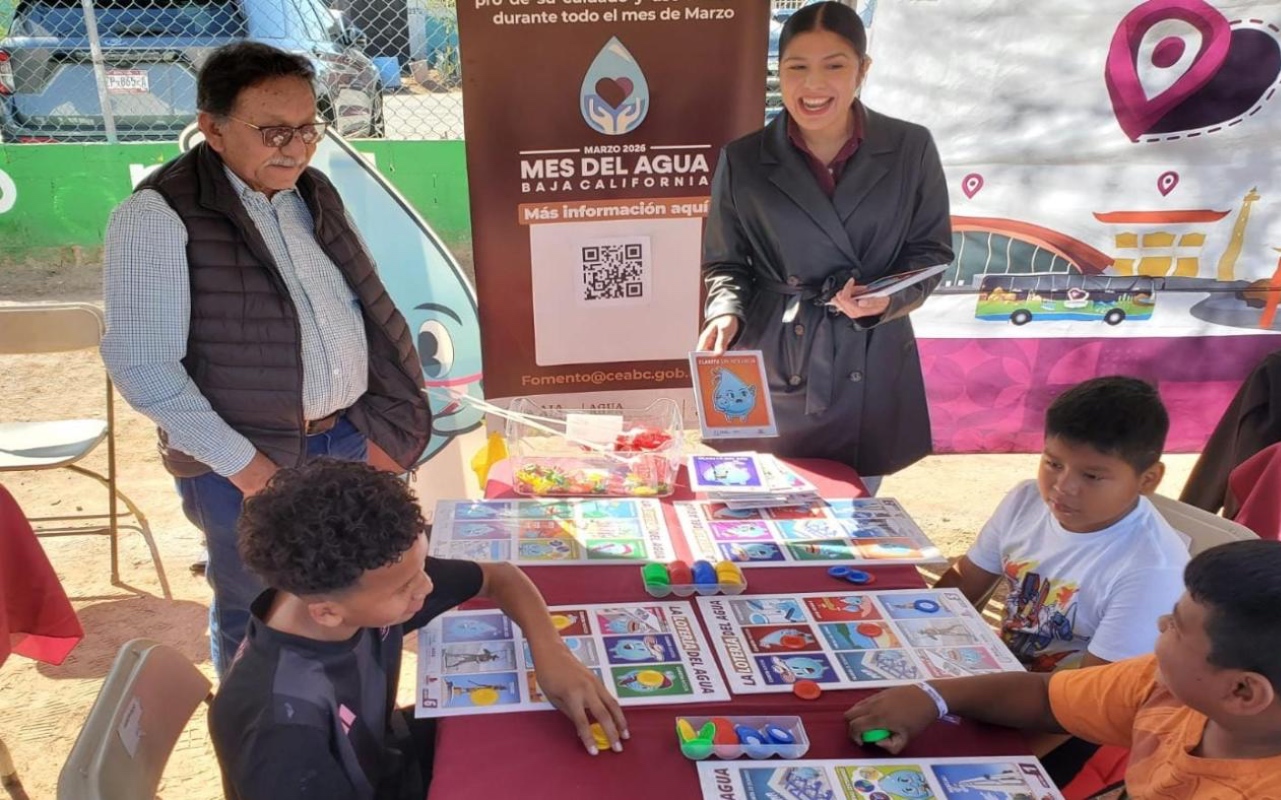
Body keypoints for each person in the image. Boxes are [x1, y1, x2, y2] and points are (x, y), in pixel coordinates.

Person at [100, 42, 430, 677]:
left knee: (362, 597)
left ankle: (359, 728)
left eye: (309, 127)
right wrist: (253, 474)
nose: (297, 146)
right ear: (213, 129)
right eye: (274, 130)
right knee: (258, 608)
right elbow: (145, 369)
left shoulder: (311, 190)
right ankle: (263, 755)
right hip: (239, 462)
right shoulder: (157, 215)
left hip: (341, 439)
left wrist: (372, 423)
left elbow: (360, 306)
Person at [210, 459, 629, 800]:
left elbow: (496, 577)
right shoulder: (283, 734)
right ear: (328, 614)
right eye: (406, 586)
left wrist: (552, 653)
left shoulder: (355, 583)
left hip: (392, 756)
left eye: (421, 566)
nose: (426, 587)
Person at [696, 1, 953, 488]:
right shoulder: (744, 159)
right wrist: (723, 311)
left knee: (851, 511)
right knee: (757, 514)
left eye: (834, 65)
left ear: (863, 69)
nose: (813, 85)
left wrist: (887, 300)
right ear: (779, 71)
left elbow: (931, 251)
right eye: (797, 67)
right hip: (771, 350)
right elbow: (726, 261)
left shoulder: (909, 147)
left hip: (869, 347)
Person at [845, 540, 1281, 800]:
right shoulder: (1165, 684)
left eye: (1176, 626)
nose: (1161, 624)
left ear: (1242, 692)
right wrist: (935, 696)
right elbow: (1048, 699)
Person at [936, 376, 1189, 673]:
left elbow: (1092, 696)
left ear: (1148, 479)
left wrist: (947, 695)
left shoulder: (1153, 570)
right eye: (1053, 464)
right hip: (1000, 674)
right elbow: (962, 586)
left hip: (1059, 708)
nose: (1062, 487)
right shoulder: (1025, 500)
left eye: (1092, 476)